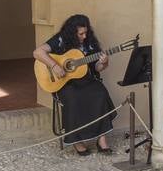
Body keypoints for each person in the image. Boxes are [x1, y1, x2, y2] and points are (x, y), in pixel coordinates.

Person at [34, 14, 115, 154]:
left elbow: (96, 68)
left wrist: (104, 62)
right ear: (72, 32)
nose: (84, 36)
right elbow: (37, 52)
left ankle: (101, 140)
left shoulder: (90, 43)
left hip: (86, 80)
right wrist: (54, 66)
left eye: (86, 32)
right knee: (73, 98)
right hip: (64, 83)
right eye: (81, 33)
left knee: (100, 93)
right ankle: (77, 141)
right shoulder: (60, 39)